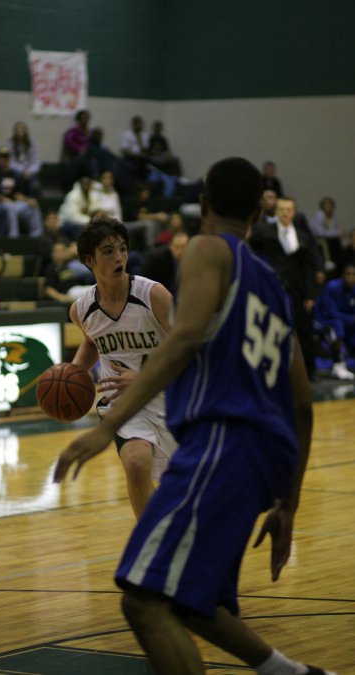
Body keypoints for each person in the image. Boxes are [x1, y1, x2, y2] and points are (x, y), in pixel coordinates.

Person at [55, 158, 335, 675]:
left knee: (144, 597)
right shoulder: (273, 285)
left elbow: (183, 340)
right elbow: (302, 403)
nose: (118, 256)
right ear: (259, 211)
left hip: (223, 439)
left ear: (203, 206)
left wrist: (106, 429)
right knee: (197, 601)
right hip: (267, 455)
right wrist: (289, 504)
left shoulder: (205, 250)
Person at [61, 214, 177, 519]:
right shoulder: (81, 309)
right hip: (123, 403)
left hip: (172, 396)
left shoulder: (153, 295)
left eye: (122, 249)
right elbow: (92, 342)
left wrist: (143, 378)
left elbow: (187, 348)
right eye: (109, 251)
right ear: (89, 260)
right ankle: (150, 543)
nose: (119, 257)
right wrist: (74, 373)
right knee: (137, 464)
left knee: (194, 489)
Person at [249, 197, 321, 380]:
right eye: (281, 209)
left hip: (299, 293)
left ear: (294, 212)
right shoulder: (265, 233)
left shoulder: (303, 237)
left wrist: (311, 295)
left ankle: (308, 373)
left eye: (289, 209)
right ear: (277, 212)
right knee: (273, 331)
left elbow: (310, 267)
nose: (285, 213)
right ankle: (273, 372)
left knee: (304, 333)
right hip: (274, 291)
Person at [314, 263, 355, 380]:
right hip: (323, 320)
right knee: (337, 326)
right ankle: (338, 363)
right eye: (348, 274)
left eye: (353, 275)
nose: (351, 277)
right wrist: (351, 319)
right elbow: (331, 313)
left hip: (344, 320)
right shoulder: (332, 287)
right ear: (342, 275)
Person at [0, 146, 43, 238]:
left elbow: (16, 194)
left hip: (13, 203)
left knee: (33, 206)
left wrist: (27, 200)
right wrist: (3, 199)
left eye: (6, 157)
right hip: (0, 203)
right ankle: (14, 238)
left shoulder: (13, 174)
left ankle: (36, 236)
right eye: (2, 157)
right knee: (11, 209)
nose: (4, 160)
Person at [142, 229, 190, 294]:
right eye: (176, 247)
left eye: (183, 247)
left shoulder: (192, 260)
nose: (180, 251)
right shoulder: (158, 259)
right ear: (170, 245)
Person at [7, 121, 41, 196]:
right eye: (18, 129)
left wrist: (29, 171)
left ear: (25, 131)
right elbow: (11, 162)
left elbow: (36, 160)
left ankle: (33, 194)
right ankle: (21, 196)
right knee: (18, 176)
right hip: (17, 169)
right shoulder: (11, 143)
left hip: (29, 170)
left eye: (22, 129)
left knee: (34, 178)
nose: (20, 131)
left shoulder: (31, 143)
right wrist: (23, 170)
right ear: (15, 131)